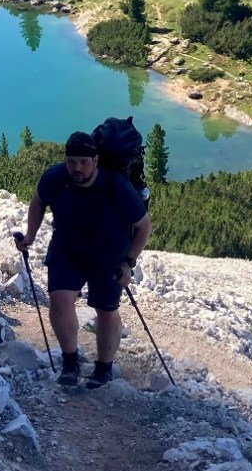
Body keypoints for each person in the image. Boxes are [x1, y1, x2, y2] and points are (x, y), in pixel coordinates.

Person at [14, 129, 150, 389]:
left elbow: (143, 226)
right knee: (59, 300)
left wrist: (128, 263)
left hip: (109, 256)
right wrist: (30, 235)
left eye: (84, 162)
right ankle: (70, 362)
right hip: (67, 249)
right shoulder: (55, 177)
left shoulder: (116, 186)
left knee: (106, 310)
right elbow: (38, 201)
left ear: (96, 161)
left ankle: (103, 369)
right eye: (72, 161)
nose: (77, 168)